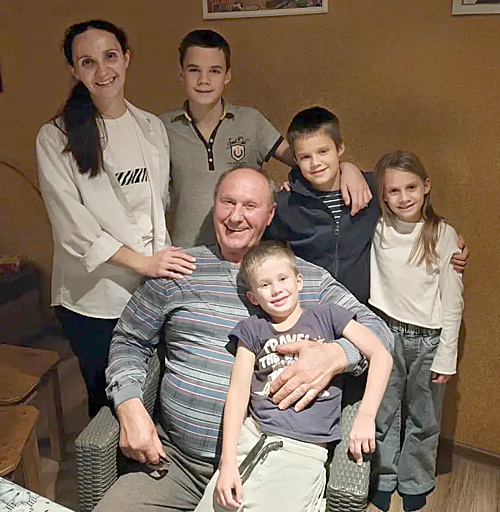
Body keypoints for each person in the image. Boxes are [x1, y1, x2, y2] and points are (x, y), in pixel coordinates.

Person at [95, 168, 393, 512]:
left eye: (250, 206)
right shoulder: (178, 271)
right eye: (228, 202)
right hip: (174, 462)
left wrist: (337, 355)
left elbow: (379, 333)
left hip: (269, 463)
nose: (236, 216)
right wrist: (129, 404)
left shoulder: (303, 279)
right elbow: (129, 339)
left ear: (270, 214)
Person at [36, 20, 196, 417]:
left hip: (149, 289)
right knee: (110, 403)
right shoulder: (56, 137)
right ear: (74, 70)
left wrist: (157, 269)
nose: (102, 70)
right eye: (87, 62)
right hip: (94, 298)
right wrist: (144, 263)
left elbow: (156, 208)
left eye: (110, 56)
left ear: (126, 58)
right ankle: (107, 459)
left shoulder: (150, 127)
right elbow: (73, 230)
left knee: (151, 387)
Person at [193, 241, 392, 512]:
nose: (276, 290)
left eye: (283, 279)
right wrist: (227, 463)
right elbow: (238, 393)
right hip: (252, 437)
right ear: (253, 297)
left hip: (303, 451)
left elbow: (381, 355)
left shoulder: (327, 316)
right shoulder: (252, 330)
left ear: (299, 281)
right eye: (265, 285)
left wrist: (366, 416)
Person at [160, 30, 372, 248]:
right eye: (194, 70)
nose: (204, 80)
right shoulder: (161, 129)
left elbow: (303, 157)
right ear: (181, 73)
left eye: (214, 70)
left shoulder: (250, 121)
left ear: (227, 75)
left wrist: (347, 168)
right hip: (188, 253)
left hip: (248, 252)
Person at [267, 107, 468, 305]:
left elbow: (412, 211)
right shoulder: (286, 204)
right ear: (295, 159)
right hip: (313, 308)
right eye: (305, 157)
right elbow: (267, 250)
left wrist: (448, 240)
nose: (315, 163)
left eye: (323, 151)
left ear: (340, 148)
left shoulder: (372, 188)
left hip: (366, 309)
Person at [368, 151, 464, 512]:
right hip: (385, 332)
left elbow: (452, 300)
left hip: (429, 340)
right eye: (393, 191)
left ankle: (415, 480)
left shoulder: (442, 234)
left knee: (425, 416)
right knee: (384, 410)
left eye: (410, 187)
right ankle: (383, 477)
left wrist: (447, 355)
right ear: (382, 194)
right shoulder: (377, 226)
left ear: (426, 187)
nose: (403, 197)